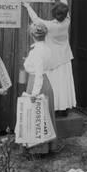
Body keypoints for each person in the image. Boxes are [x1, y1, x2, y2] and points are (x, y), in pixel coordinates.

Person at [22, 0, 76, 115]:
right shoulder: (67, 21)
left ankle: (54, 108)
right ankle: (65, 109)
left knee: (55, 85)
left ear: (53, 14)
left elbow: (35, 20)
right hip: (65, 59)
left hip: (53, 61)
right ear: (65, 14)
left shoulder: (50, 26)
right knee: (65, 85)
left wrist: (27, 6)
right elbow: (65, 4)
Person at [23, 23, 59, 154]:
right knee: (45, 114)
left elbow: (38, 74)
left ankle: (38, 149)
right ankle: (48, 146)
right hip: (46, 82)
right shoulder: (47, 49)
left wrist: (34, 93)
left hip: (37, 83)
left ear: (32, 35)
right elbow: (49, 66)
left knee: (36, 115)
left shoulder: (36, 51)